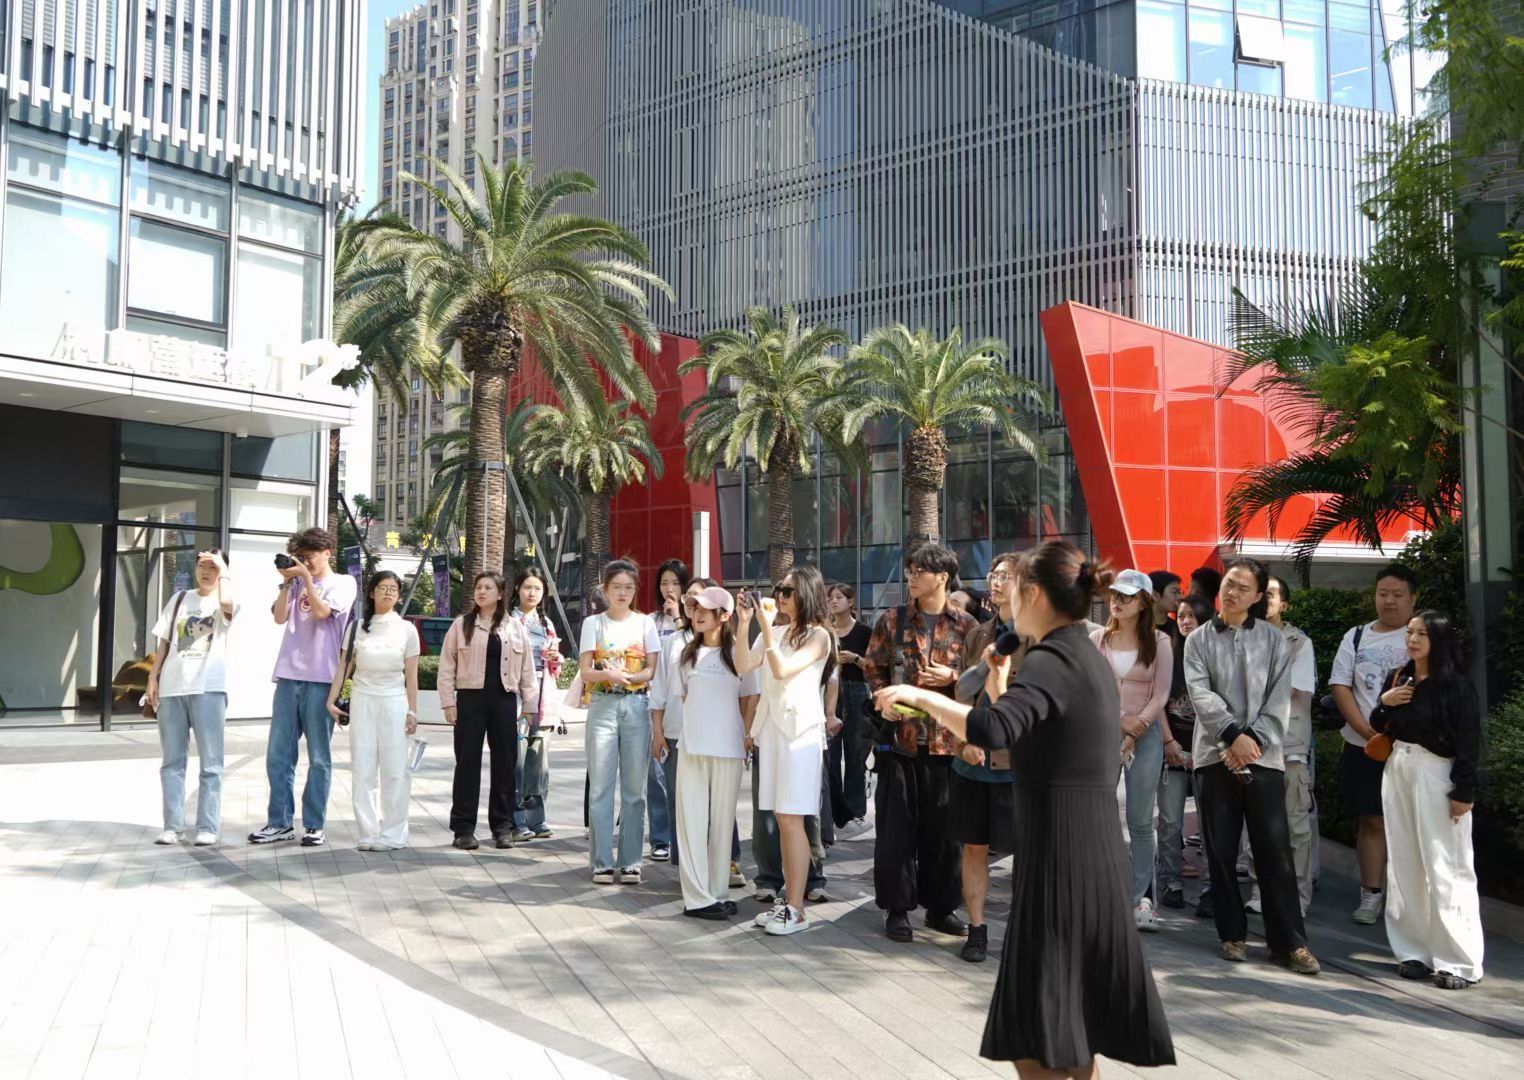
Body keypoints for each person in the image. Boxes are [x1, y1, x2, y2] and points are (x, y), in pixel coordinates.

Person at [873, 542, 1174, 1077]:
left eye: (1012, 585)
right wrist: (998, 680)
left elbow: (991, 730)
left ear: (1033, 594)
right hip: (1080, 855)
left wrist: (918, 697)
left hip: (1065, 861)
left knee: (1039, 1034)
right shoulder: (1077, 653)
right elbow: (1026, 728)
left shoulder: (1054, 659)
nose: (1003, 593)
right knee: (1062, 1032)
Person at [1185, 557, 1320, 975]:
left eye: (1244, 587)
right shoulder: (1198, 640)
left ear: (1259, 595)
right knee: (1221, 849)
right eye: (1229, 583)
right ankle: (1232, 934)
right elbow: (1200, 695)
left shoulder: (1275, 641)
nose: (1232, 592)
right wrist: (1232, 737)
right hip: (1214, 755)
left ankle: (1290, 943)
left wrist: (1251, 741)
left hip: (1265, 756)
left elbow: (1280, 699)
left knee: (1274, 850)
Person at [864, 542, 978, 944]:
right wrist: (883, 700)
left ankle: (941, 908)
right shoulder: (892, 620)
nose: (911, 577)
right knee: (896, 833)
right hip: (901, 743)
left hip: (948, 744)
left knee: (945, 835)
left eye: (919, 571)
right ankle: (897, 909)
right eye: (909, 571)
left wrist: (951, 677)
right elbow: (873, 666)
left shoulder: (967, 625)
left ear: (942, 577)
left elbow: (980, 679)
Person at [1369, 609, 1484, 990]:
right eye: (1410, 633)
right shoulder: (1399, 677)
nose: (1413, 640)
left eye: (1422, 634)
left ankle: (1459, 961)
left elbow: (1469, 742)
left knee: (1446, 863)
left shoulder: (1455, 685)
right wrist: (1385, 701)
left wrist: (1463, 791)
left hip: (1437, 772)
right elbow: (1378, 724)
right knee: (1404, 860)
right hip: (1399, 766)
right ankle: (1413, 951)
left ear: (1439, 639)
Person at [737, 564, 836, 936]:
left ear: (806, 594)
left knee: (793, 818)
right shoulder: (776, 630)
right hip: (773, 730)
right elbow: (744, 664)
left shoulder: (819, 636)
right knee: (782, 818)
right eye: (778, 589)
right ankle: (790, 903)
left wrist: (765, 629)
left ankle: (796, 907)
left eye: (787, 591)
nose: (779, 596)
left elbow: (782, 670)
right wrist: (744, 623)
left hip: (800, 733)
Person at [251, 527, 357, 847]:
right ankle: (280, 822)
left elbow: (323, 613)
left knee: (319, 757)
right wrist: (287, 582)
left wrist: (307, 580)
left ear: (327, 553)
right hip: (288, 675)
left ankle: (314, 824)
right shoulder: (295, 583)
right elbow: (279, 618)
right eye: (301, 557)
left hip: (323, 679)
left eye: (310, 557)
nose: (305, 562)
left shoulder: (344, 583)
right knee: (278, 755)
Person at [1330, 562, 1418, 925]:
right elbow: (1340, 686)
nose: (1389, 601)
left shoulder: (1421, 636)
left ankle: (1409, 899)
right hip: (1363, 745)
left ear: (1413, 598)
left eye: (1398, 594)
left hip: (1413, 749)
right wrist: (1367, 732)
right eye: (1383, 593)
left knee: (1411, 823)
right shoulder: (1356, 636)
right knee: (1371, 819)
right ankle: (1371, 894)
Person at [1090, 570, 1173, 933]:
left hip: (1147, 734)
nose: (1118, 601)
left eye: (1127, 596)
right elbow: (1090, 690)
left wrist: (1136, 727)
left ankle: (1140, 898)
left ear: (1143, 603)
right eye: (1115, 595)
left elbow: (1161, 694)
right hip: (1102, 732)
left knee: (1141, 821)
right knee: (1097, 815)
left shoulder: (1160, 641)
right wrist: (1121, 720)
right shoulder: (1097, 639)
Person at [671, 586, 761, 919]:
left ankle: (717, 892)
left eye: (705, 609)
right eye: (694, 608)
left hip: (729, 747)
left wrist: (746, 735)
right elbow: (685, 700)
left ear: (724, 615)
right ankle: (696, 899)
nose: (697, 614)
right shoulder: (686, 655)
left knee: (723, 823)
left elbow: (749, 698)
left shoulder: (738, 652)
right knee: (692, 823)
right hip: (693, 747)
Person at [951, 550, 1023, 964]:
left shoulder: (1043, 639)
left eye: (1006, 575)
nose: (996, 582)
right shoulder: (978, 634)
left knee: (1026, 854)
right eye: (993, 574)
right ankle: (976, 929)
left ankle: (1025, 931)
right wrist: (964, 741)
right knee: (973, 847)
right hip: (973, 763)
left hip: (1019, 766)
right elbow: (961, 695)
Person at [439, 571, 537, 850]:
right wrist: (448, 702)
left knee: (505, 765)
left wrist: (529, 705)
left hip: (504, 701)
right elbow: (447, 665)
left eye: (488, 588)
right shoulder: (461, 625)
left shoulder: (514, 627)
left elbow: (528, 669)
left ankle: (502, 827)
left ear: (500, 594)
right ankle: (463, 829)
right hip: (470, 701)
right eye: (478, 587)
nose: (482, 592)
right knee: (467, 764)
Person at [579, 559, 661, 884]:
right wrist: (609, 675)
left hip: (637, 706)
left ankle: (630, 861)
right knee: (600, 787)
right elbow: (586, 672)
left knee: (634, 790)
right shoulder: (593, 624)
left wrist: (629, 677)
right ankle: (601, 861)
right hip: (602, 706)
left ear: (635, 589)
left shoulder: (645, 624)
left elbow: (651, 670)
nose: (622, 593)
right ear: (606, 589)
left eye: (628, 587)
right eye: (616, 587)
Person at [148, 549, 237, 846]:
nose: (206, 572)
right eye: (202, 566)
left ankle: (207, 827)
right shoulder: (179, 599)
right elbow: (164, 643)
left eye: (213, 567)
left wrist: (223, 567)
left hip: (208, 688)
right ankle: (172, 826)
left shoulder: (226, 598)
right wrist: (153, 678)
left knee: (211, 764)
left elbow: (228, 605)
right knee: (171, 763)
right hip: (172, 687)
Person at [327, 571, 420, 850]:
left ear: (399, 596)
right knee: (363, 768)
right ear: (371, 593)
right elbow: (343, 667)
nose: (388, 592)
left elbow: (412, 675)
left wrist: (413, 712)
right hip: (363, 700)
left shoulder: (407, 629)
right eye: (382, 587)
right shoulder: (357, 627)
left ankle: (394, 833)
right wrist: (331, 701)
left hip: (394, 702)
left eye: (393, 589)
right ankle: (367, 832)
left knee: (395, 770)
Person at [1247, 576, 1316, 916]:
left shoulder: (1300, 642)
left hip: (1289, 746)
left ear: (1284, 604)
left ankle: (1297, 897)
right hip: (1252, 745)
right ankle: (1260, 891)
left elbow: (1293, 689)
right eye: (1261, 593)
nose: (1265, 599)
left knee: (1295, 828)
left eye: (1272, 594)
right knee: (1257, 825)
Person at [651, 576, 718, 870]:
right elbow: (660, 689)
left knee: (712, 801)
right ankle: (684, 865)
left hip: (713, 734)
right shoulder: (674, 642)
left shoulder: (724, 642)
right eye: (689, 598)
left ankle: (717, 861)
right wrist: (657, 732)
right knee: (678, 800)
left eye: (699, 599)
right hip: (676, 731)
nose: (693, 605)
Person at [1156, 595, 1213, 910]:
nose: (1186, 621)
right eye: (1181, 615)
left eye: (1192, 615)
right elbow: (1157, 701)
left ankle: (1211, 888)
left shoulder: (1217, 654)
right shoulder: (1167, 653)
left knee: (1211, 825)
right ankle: (1171, 882)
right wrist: (1168, 743)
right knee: (1170, 822)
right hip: (1173, 751)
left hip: (1209, 753)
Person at [510, 568, 561, 841]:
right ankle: (516, 820)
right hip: (518, 695)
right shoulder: (508, 621)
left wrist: (555, 658)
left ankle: (537, 819)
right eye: (527, 587)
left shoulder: (546, 624)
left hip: (543, 695)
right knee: (517, 761)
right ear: (517, 589)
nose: (532, 593)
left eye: (537, 589)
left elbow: (555, 667)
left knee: (538, 762)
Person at [647, 558, 691, 862]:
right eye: (664, 583)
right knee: (656, 775)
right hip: (654, 705)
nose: (669, 589)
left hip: (684, 712)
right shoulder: (650, 621)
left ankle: (683, 842)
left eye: (675, 583)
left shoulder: (693, 623)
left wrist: (678, 616)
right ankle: (660, 838)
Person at [827, 582, 873, 832]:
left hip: (857, 691)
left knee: (856, 755)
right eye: (831, 598)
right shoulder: (825, 631)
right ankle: (836, 815)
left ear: (851, 601)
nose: (834, 601)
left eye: (839, 597)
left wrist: (854, 659)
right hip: (830, 694)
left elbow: (876, 667)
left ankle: (856, 814)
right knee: (831, 756)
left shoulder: (864, 632)